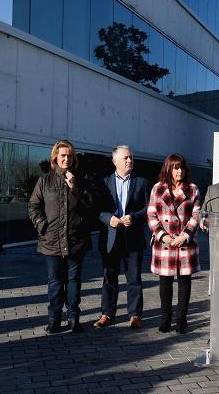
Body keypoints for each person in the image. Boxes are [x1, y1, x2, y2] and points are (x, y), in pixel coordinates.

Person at [28, 139, 93, 334]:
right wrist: (42, 225)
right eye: (63, 155)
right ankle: (54, 318)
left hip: (76, 241)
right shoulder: (45, 180)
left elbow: (91, 205)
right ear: (55, 157)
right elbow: (33, 206)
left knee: (74, 281)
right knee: (55, 282)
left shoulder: (82, 179)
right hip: (52, 241)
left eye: (70, 156)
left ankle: (73, 317)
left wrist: (75, 187)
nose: (66, 159)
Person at [93, 145, 151, 329]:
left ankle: (135, 315)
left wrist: (133, 217)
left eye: (131, 158)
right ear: (115, 160)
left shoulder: (141, 182)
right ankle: (107, 314)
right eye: (125, 158)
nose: (129, 161)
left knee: (134, 278)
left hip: (132, 237)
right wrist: (108, 218)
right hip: (110, 237)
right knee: (109, 277)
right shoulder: (103, 181)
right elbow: (96, 209)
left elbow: (149, 208)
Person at [147, 154, 201, 334]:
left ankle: (181, 320)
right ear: (168, 168)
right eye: (176, 167)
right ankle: (165, 319)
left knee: (185, 282)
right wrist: (164, 236)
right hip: (165, 242)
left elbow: (196, 215)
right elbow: (151, 215)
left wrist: (184, 236)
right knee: (165, 282)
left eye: (182, 167)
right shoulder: (158, 188)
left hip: (185, 243)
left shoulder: (192, 189)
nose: (179, 171)